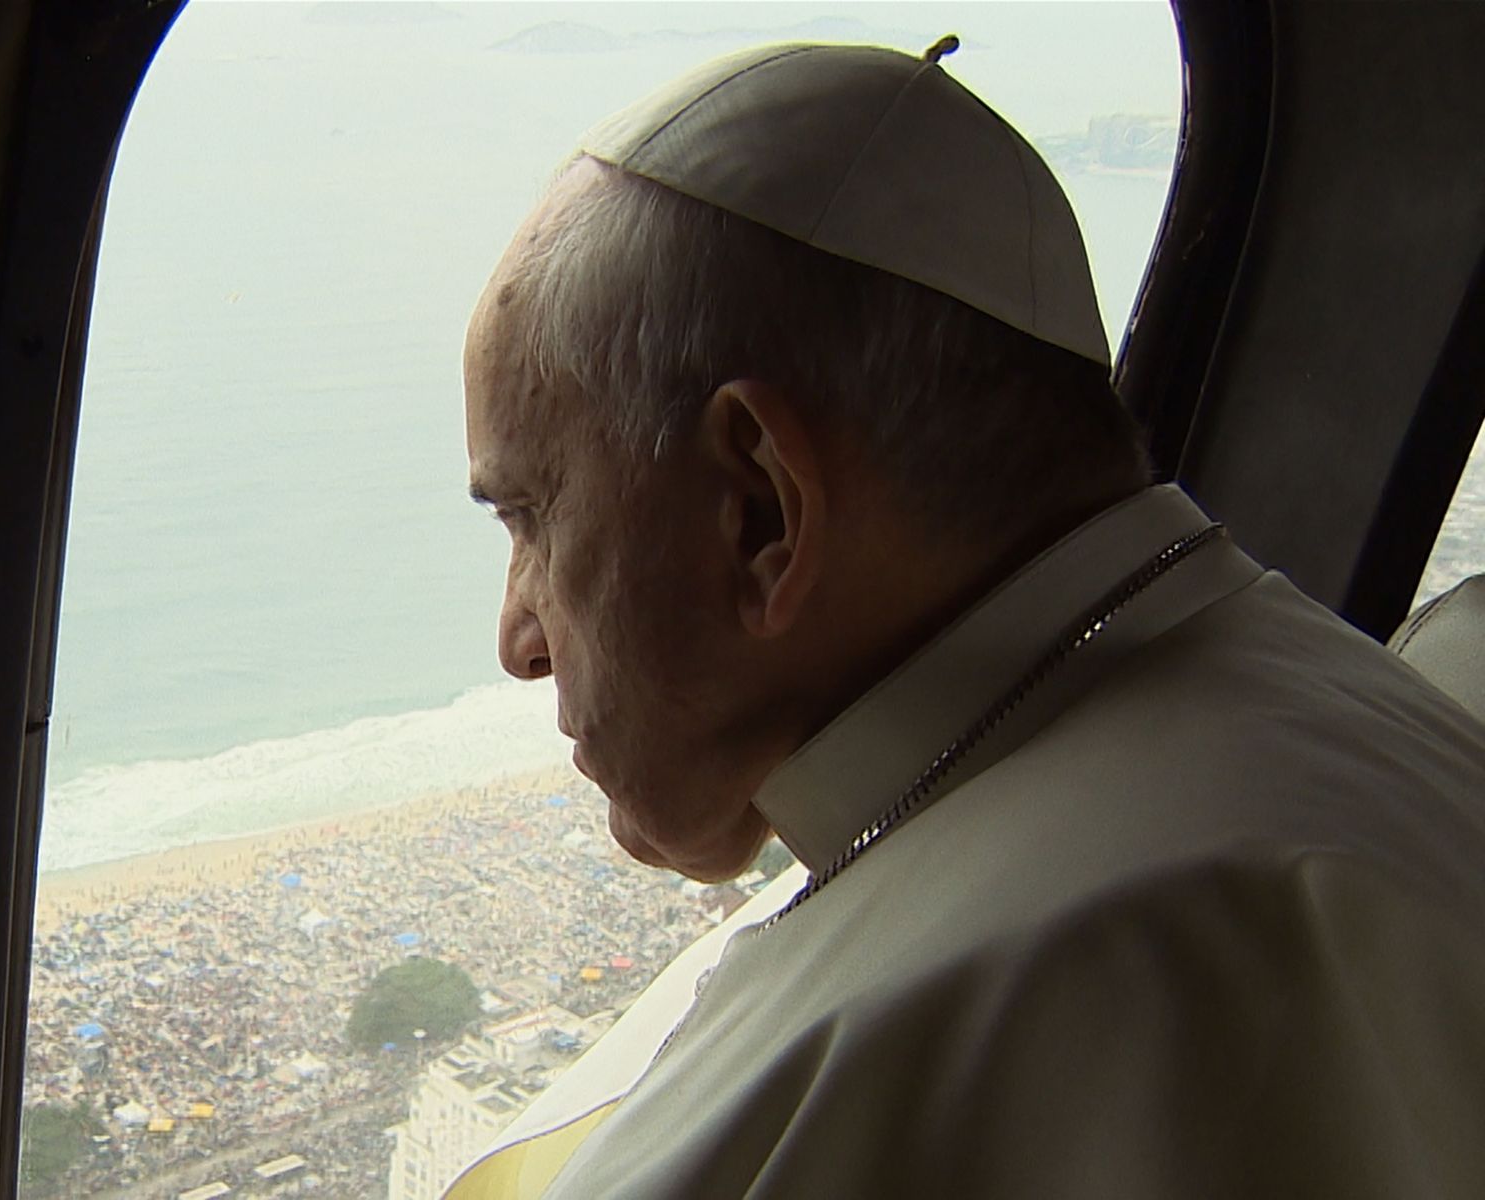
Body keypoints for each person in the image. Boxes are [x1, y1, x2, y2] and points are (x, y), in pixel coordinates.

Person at [456, 38, 1485, 1199]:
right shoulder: (1342, 707)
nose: (519, 640)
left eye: (530, 518)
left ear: (760, 514)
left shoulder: (858, 1085)